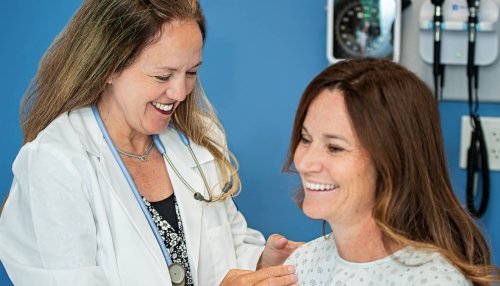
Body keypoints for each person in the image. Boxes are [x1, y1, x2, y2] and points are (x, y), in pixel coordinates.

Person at [0, 0, 299, 285]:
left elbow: (227, 245)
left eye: (191, 72)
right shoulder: (56, 163)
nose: (180, 92)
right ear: (109, 67)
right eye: (163, 76)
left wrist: (261, 264)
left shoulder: (199, 141)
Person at [283, 58, 499, 285]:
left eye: (335, 148)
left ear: (392, 161)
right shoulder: (301, 264)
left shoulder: (432, 281)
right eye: (305, 139)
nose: (305, 163)